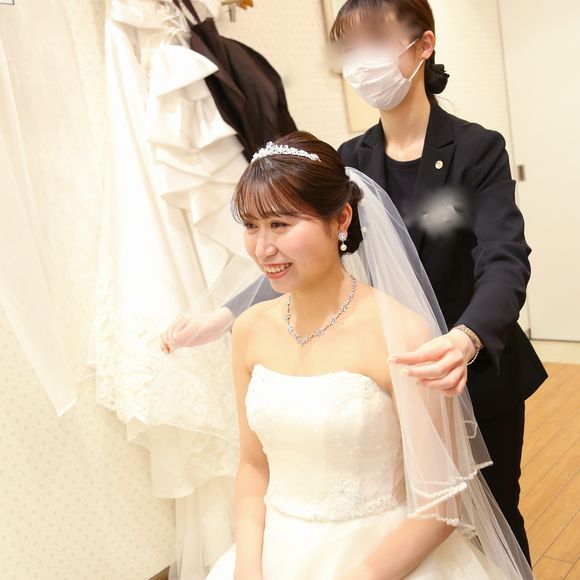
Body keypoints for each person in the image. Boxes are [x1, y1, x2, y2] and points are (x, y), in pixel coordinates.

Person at [161, 0, 547, 563]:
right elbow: (309, 254)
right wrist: (224, 315)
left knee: (494, 519)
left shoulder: (475, 149)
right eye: (350, 47)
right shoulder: (351, 158)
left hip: (468, 365)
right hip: (383, 367)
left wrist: (465, 338)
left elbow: (505, 259)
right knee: (403, 513)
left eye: (377, 41)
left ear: (424, 44)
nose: (362, 60)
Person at [199, 131, 532, 579]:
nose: (263, 248)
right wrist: (247, 567)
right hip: (271, 551)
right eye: (251, 226)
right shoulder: (249, 329)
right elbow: (254, 466)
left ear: (340, 219)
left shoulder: (402, 333)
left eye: (280, 224)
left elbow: (442, 503)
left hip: (379, 558)